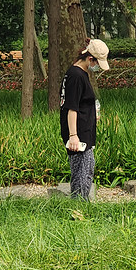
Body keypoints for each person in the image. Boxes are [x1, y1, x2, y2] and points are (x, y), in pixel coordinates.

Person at [60, 39, 110, 201]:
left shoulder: (81, 74)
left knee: (87, 169)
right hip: (79, 134)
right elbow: (71, 107)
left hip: (85, 131)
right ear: (90, 59)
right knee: (82, 172)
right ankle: (79, 205)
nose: (97, 67)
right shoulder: (76, 76)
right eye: (97, 63)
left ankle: (80, 203)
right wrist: (73, 135)